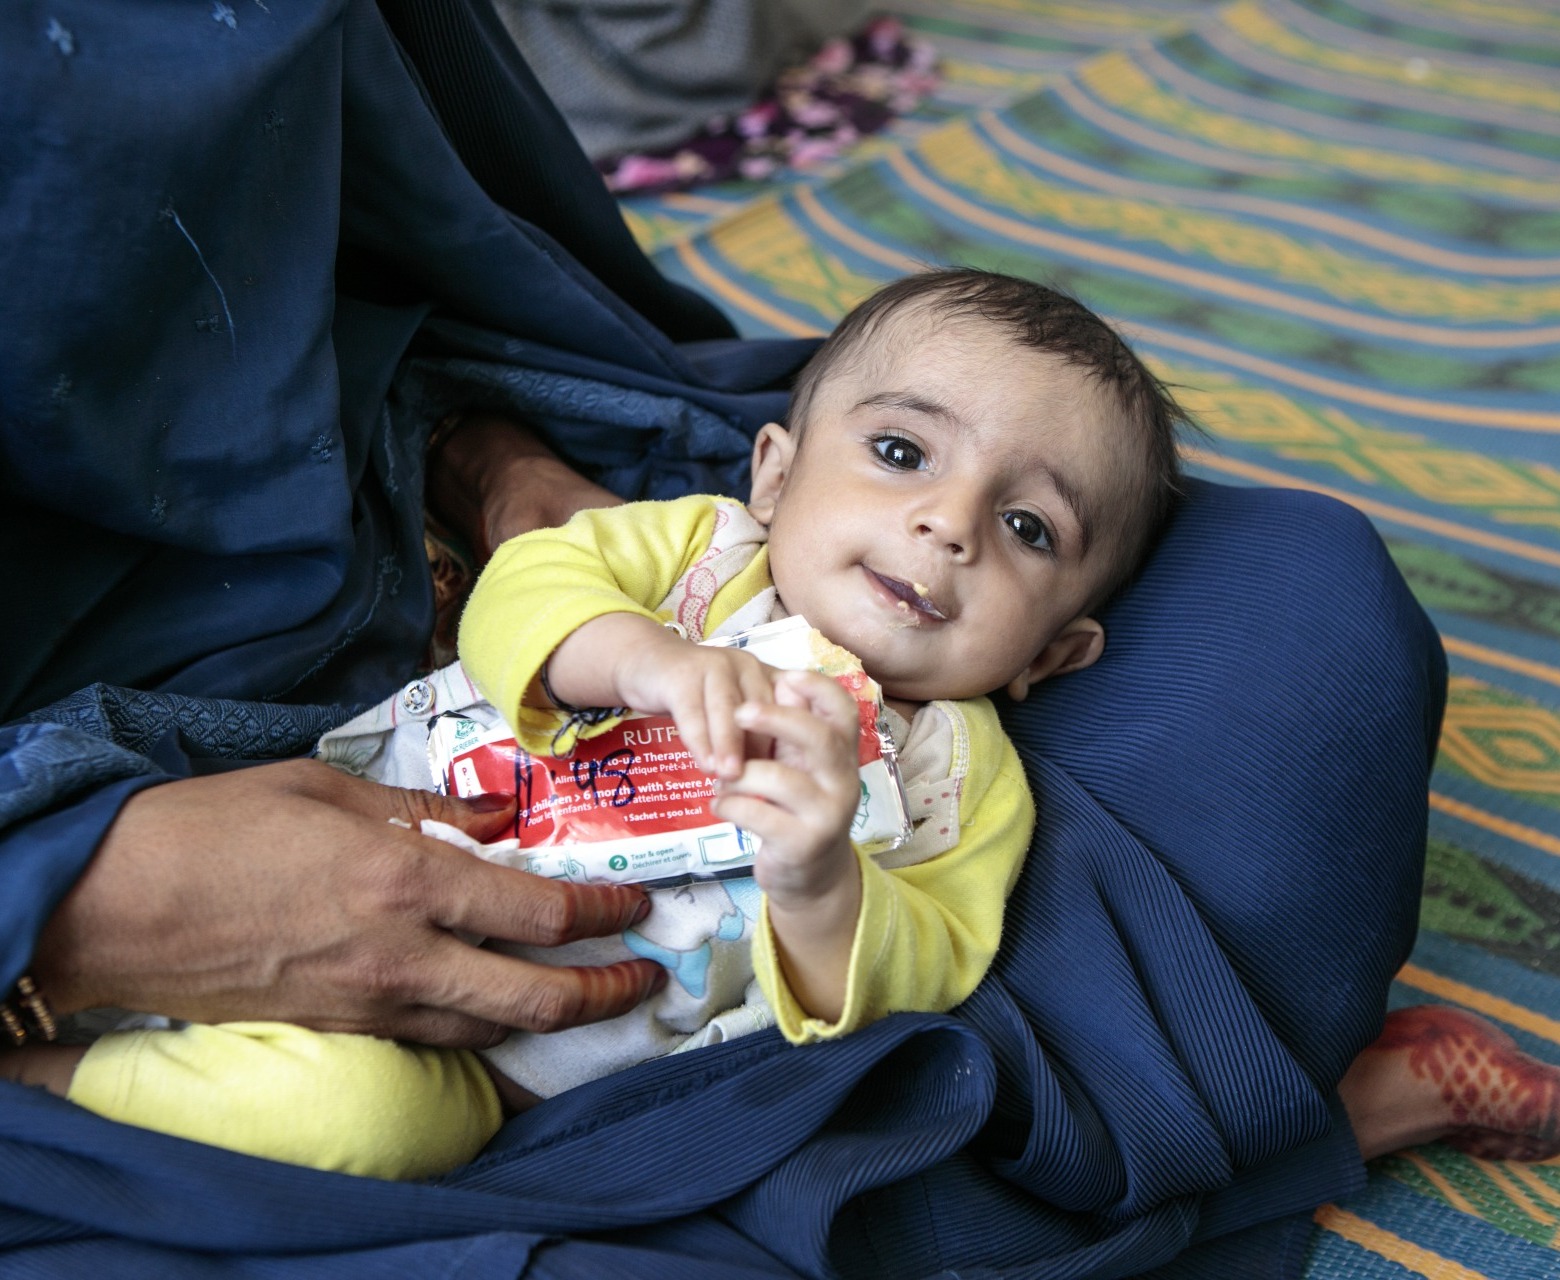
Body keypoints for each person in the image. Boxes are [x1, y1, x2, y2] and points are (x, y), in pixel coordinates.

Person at [0, 2, 1549, 1275]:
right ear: (769, 474)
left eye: (1025, 530)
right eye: (899, 458)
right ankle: (53, 1092)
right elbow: (533, 595)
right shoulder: (694, 561)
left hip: (518, 1059)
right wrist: (647, 661)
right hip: (148, 762)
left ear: (1052, 655)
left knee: (1306, 600)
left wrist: (822, 877)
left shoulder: (960, 770)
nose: (947, 524)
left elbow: (924, 957)